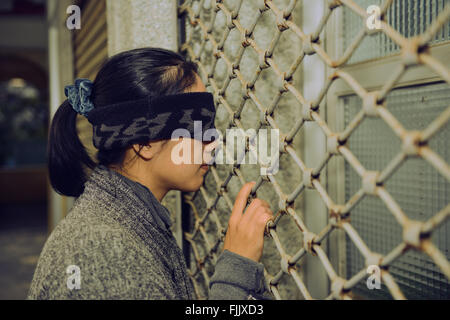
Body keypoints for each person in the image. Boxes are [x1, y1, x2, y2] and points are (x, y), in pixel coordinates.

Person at [28, 47, 274, 300]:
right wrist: (237, 269)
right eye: (198, 126)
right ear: (144, 142)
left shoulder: (126, 221)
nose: (213, 142)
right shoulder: (105, 254)